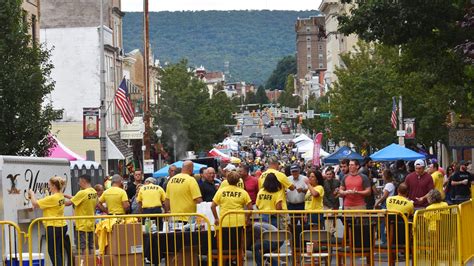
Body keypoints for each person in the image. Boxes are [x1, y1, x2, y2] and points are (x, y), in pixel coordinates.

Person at [28, 176, 71, 266]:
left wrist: (31, 194)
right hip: (62, 225)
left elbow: (35, 203)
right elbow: (47, 204)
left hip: (53, 226)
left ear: (54, 186)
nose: (49, 187)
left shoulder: (53, 198)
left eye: (49, 185)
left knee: (53, 252)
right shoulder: (60, 196)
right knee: (58, 251)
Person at [65, 174, 97, 255]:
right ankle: (92, 262)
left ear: (83, 181)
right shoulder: (93, 192)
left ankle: (86, 262)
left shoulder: (82, 193)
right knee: (91, 246)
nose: (79, 184)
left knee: (84, 247)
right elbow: (78, 198)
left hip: (82, 225)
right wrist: (65, 195)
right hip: (91, 224)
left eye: (79, 182)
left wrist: (57, 200)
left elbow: (68, 203)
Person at [323, 167, 340, 234]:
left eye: (330, 174)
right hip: (327, 205)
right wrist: (330, 206)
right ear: (325, 175)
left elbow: (340, 191)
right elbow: (323, 196)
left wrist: (337, 193)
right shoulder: (323, 183)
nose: (329, 175)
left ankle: (333, 232)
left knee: (334, 219)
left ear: (332, 174)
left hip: (336, 203)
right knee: (328, 220)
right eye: (327, 174)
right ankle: (328, 233)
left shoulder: (337, 182)